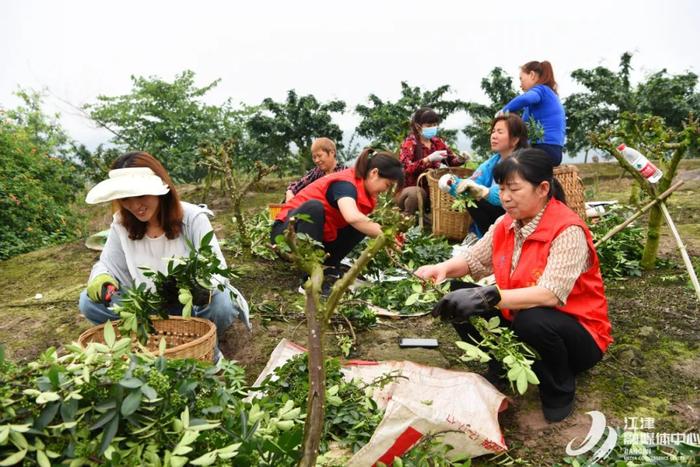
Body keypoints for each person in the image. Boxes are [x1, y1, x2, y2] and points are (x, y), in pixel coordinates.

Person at [416, 149, 612, 422]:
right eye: (501, 189)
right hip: (522, 317)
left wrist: (489, 296)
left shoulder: (568, 231)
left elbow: (550, 294)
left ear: (542, 188)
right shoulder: (506, 223)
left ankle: (559, 385)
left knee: (533, 319)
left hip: (579, 337)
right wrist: (442, 269)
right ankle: (502, 366)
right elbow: (474, 259)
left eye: (514, 189)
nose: (505, 197)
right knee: (458, 295)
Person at [78, 152, 250, 362]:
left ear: (159, 191)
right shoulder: (122, 224)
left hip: (190, 308)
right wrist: (102, 278)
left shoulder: (193, 219)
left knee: (221, 303)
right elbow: (107, 264)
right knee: (88, 302)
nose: (134, 206)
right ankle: (148, 337)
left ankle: (204, 345)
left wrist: (200, 286)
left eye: (141, 196)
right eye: (125, 199)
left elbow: (216, 267)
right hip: (149, 305)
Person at [271, 148, 404, 289]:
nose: (385, 190)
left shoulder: (363, 191)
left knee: (362, 224)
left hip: (317, 236)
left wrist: (389, 234)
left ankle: (328, 267)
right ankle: (310, 276)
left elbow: (359, 221)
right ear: (374, 173)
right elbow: (352, 216)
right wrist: (388, 235)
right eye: (387, 185)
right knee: (315, 208)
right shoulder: (345, 185)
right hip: (286, 234)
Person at [456, 113, 529, 237]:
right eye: (493, 131)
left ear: (515, 139)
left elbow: (510, 194)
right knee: (470, 197)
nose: (493, 136)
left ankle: (497, 241)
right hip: (499, 213)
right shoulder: (493, 161)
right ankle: (487, 241)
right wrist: (453, 184)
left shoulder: (523, 162)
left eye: (500, 132)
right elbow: (475, 179)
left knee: (477, 199)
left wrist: (484, 191)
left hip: (519, 214)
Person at [397, 107, 465, 215]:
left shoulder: (437, 143)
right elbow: (406, 169)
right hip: (410, 191)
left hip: (432, 190)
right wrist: (427, 159)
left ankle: (428, 217)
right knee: (416, 193)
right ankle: (407, 218)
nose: (432, 128)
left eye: (434, 125)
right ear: (418, 126)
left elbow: (451, 161)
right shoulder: (410, 143)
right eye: (428, 126)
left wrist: (461, 159)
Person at [500, 61, 566, 166]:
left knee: (507, 161)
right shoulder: (548, 94)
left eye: (521, 79)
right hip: (553, 150)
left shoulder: (541, 90)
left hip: (543, 148)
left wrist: (503, 112)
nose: (520, 84)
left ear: (532, 75)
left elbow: (525, 99)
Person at [285, 137, 345, 202]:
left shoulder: (344, 173)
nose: (316, 160)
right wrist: (290, 194)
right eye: (314, 157)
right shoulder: (317, 172)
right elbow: (295, 187)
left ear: (332, 153)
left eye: (319, 156)